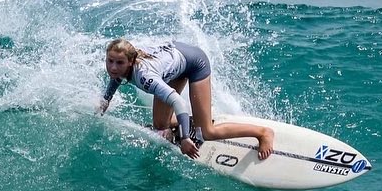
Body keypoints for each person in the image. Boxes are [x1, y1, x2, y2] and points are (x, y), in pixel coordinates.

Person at [98, 39, 274, 160]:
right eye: (110, 61)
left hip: (195, 64)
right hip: (175, 64)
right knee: (160, 125)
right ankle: (194, 118)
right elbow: (116, 77)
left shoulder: (145, 77)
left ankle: (262, 133)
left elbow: (178, 102)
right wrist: (106, 100)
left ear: (130, 62)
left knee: (207, 133)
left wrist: (185, 138)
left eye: (119, 63)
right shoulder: (122, 67)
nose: (113, 67)